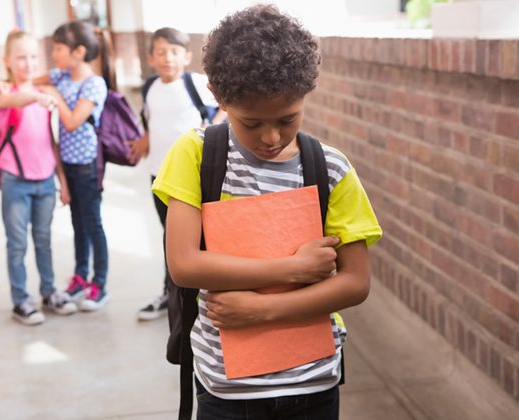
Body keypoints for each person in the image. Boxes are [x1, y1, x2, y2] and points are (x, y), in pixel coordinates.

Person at [151, 4, 382, 419]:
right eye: (251, 123)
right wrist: (291, 269)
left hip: (314, 384)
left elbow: (356, 282)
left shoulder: (330, 169)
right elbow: (184, 264)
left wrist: (263, 309)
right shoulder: (196, 154)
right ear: (219, 98)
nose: (271, 137)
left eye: (287, 118)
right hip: (226, 390)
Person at [129, 27, 227, 321]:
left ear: (186, 57)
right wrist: (144, 140)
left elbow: (224, 105)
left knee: (200, 240)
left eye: (174, 52)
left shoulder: (195, 83)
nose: (167, 58)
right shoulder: (150, 88)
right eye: (160, 52)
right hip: (159, 176)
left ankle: (203, 295)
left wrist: (211, 129)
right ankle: (171, 296)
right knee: (169, 239)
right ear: (151, 58)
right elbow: (151, 120)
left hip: (192, 179)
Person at [0, 30, 77, 325]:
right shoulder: (2, 91)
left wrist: (62, 181)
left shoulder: (44, 94)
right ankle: (21, 300)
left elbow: (51, 141)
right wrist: (39, 96)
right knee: (17, 244)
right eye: (21, 57)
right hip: (16, 180)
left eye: (34, 56)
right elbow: (17, 100)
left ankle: (49, 292)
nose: (28, 62)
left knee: (43, 239)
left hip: (45, 181)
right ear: (7, 61)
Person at [37, 20, 112, 312]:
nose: (53, 53)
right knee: (77, 224)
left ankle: (100, 284)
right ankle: (81, 276)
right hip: (68, 165)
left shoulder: (93, 83)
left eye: (58, 48)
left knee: (93, 225)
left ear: (78, 51)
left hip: (87, 166)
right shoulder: (61, 75)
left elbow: (71, 121)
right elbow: (33, 81)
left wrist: (55, 96)